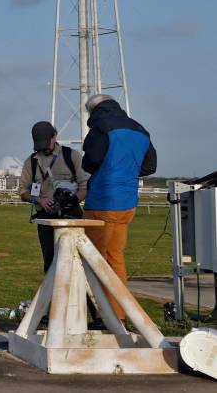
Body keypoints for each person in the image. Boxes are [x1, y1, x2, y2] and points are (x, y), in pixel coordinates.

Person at [81, 94, 157, 320]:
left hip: (103, 201)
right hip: (127, 203)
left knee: (95, 259)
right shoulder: (140, 129)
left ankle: (105, 315)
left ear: (93, 111)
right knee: (115, 257)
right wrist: (127, 172)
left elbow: (90, 162)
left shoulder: (101, 128)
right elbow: (150, 166)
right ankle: (119, 313)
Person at [18, 121, 90, 272]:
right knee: (50, 264)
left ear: (54, 136)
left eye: (46, 143)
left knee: (76, 264)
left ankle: (80, 295)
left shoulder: (72, 156)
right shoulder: (31, 162)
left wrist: (73, 200)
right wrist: (39, 200)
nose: (43, 148)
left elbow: (85, 186)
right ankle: (52, 296)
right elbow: (23, 192)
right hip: (46, 220)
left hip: (72, 218)